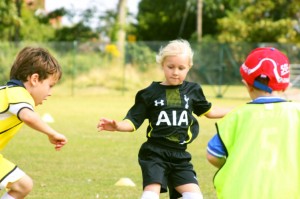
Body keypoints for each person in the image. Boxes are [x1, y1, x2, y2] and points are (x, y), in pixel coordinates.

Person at [97, 39, 227, 199]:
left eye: (181, 68)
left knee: (195, 197)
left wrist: (236, 111)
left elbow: (210, 111)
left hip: (180, 156)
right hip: (154, 153)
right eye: (170, 67)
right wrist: (117, 126)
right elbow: (132, 122)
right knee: (151, 193)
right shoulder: (149, 93)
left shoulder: (193, 91)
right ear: (162, 65)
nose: (175, 72)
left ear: (189, 67)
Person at [206, 47, 300, 199]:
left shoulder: (236, 116)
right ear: (286, 85)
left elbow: (212, 155)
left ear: (246, 84)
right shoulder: (297, 113)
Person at [0, 46, 68, 199]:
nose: (50, 93)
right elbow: (28, 116)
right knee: (23, 185)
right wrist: (52, 133)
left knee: (21, 185)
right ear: (35, 79)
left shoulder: (7, 92)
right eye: (50, 85)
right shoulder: (19, 94)